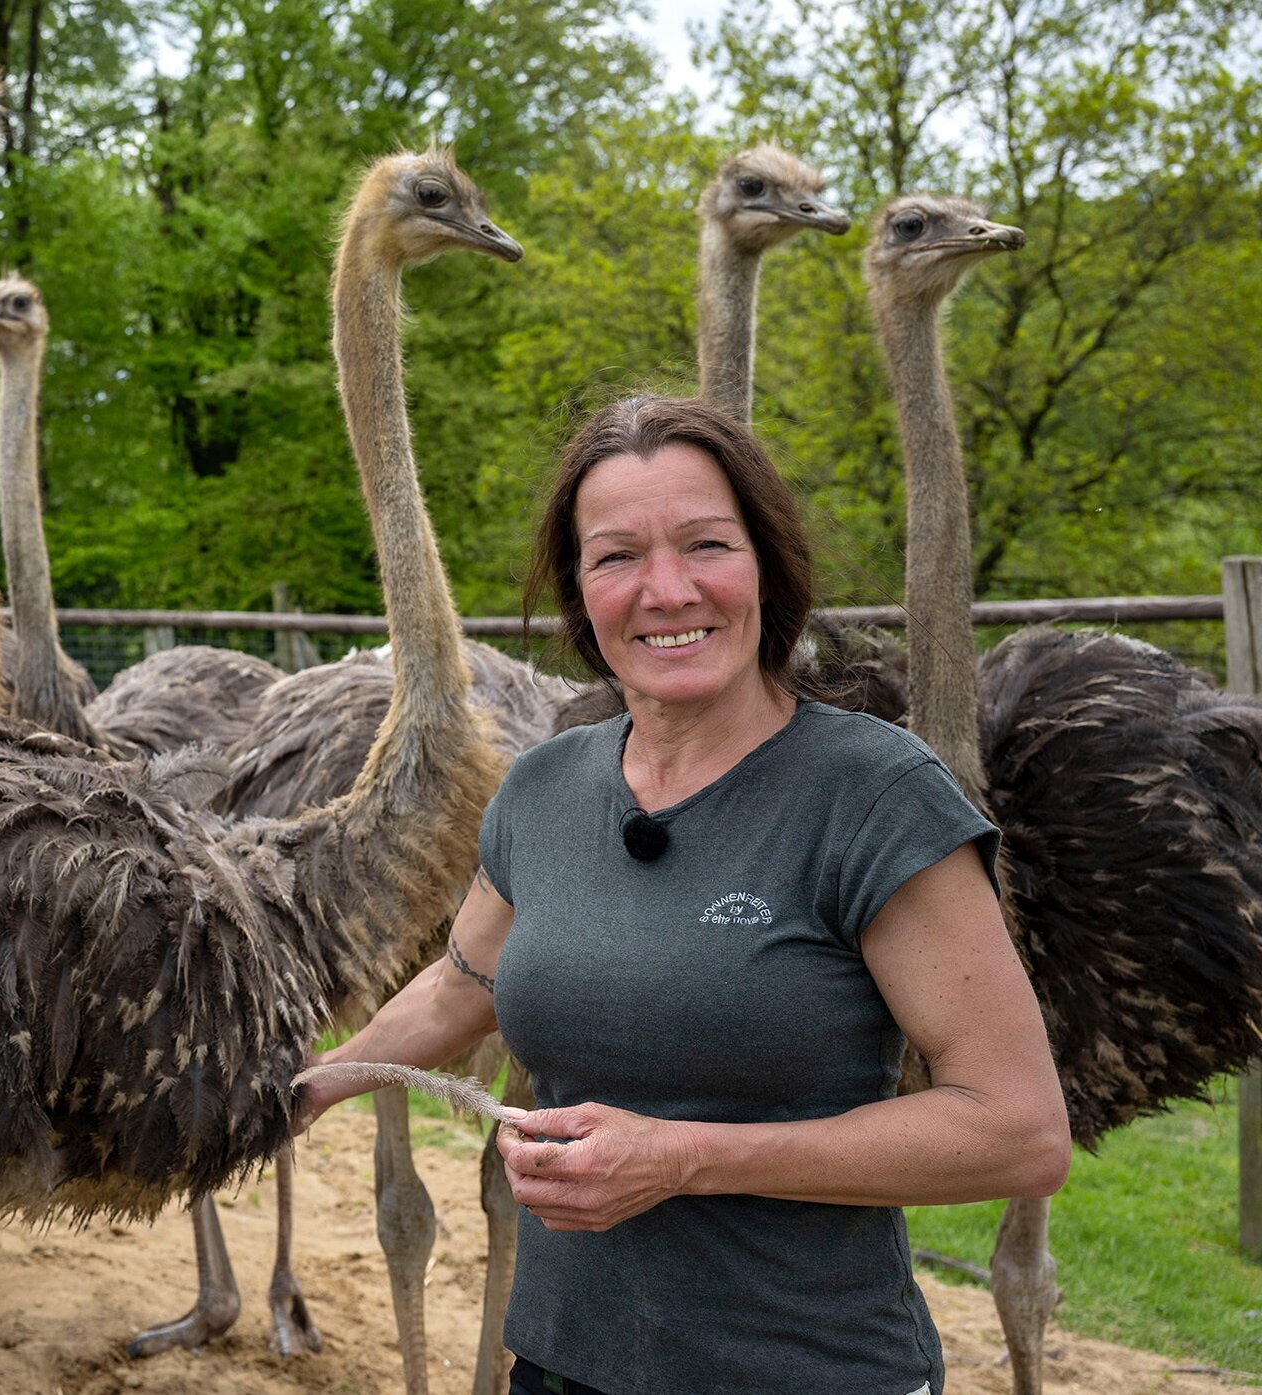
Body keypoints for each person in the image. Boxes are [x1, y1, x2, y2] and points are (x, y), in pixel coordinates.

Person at [300, 395, 1069, 1395]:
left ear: (763, 565)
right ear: (579, 591)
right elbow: (460, 983)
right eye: (615, 556)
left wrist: (680, 1159)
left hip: (805, 1374)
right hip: (560, 1362)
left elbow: (1015, 1132)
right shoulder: (542, 788)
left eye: (704, 544)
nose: (664, 590)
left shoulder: (869, 796)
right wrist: (309, 1087)